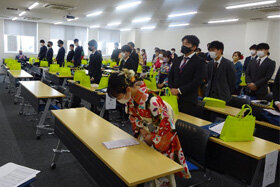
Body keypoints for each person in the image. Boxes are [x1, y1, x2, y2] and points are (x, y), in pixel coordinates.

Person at [107, 70, 191, 184]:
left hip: (160, 137)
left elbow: (166, 127)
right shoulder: (131, 98)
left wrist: (152, 137)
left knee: (160, 171)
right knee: (143, 165)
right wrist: (141, 128)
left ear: (127, 89)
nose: (118, 100)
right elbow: (133, 116)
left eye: (118, 97)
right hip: (146, 132)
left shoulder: (152, 101)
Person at [168, 35, 206, 116]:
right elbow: (171, 75)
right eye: (183, 43)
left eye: (187, 44)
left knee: (184, 124)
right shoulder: (177, 59)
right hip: (173, 96)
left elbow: (197, 81)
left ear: (194, 47)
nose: (183, 45)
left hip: (188, 99)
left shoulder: (200, 62)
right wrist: (172, 89)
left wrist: (179, 91)